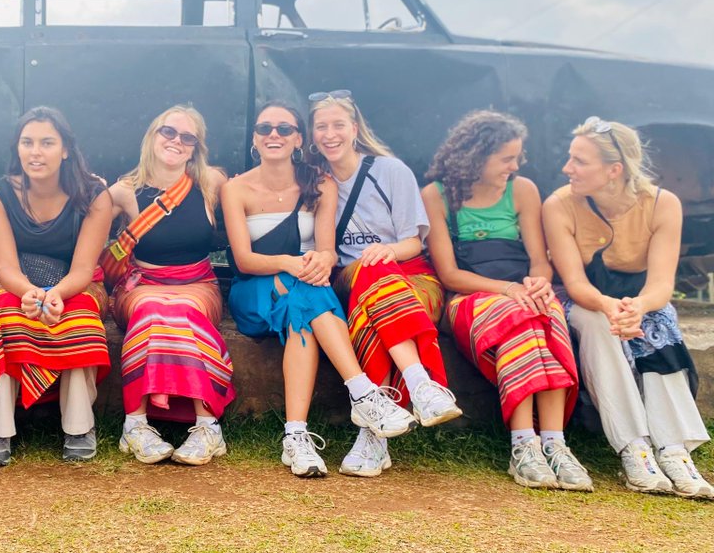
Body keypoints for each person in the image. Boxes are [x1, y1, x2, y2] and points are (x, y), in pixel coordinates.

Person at [222, 102, 418, 478]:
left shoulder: (319, 183)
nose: (273, 135)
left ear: (298, 138)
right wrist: (289, 262)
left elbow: (327, 250)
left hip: (303, 287)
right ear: (255, 138)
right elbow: (244, 261)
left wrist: (320, 261)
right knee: (308, 294)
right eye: (265, 128)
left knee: (305, 310)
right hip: (254, 292)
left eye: (284, 128)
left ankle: (296, 436)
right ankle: (362, 392)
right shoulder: (236, 188)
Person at [543, 117, 712, 498]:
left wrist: (638, 307)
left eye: (579, 161)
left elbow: (662, 285)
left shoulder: (662, 203)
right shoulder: (559, 204)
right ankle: (634, 446)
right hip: (585, 298)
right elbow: (575, 283)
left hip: (640, 297)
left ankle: (674, 450)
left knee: (658, 326)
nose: (567, 168)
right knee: (599, 324)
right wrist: (608, 306)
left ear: (614, 170)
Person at [422, 111, 591, 490]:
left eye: (517, 157)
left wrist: (537, 285)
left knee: (544, 313)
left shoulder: (523, 190)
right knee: (520, 314)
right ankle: (523, 444)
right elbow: (449, 274)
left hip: (520, 286)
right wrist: (509, 290)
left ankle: (553, 443)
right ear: (476, 156)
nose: (514, 166)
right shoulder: (436, 195)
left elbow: (538, 261)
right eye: (506, 159)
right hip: (470, 294)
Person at [308, 90, 462, 478]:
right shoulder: (315, 181)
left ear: (354, 129)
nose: (330, 134)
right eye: (321, 126)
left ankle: (373, 439)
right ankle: (422, 383)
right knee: (370, 272)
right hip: (351, 277)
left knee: (376, 308)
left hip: (412, 277)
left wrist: (388, 250)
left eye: (338, 125)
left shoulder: (390, 170)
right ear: (311, 134)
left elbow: (414, 242)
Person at [0, 106, 113, 466]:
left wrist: (56, 294)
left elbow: (84, 268)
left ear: (65, 149)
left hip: (75, 281)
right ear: (17, 148)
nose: (35, 152)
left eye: (46, 143)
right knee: (7, 313)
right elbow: (6, 265)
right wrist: (28, 292)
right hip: (14, 279)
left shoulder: (93, 195)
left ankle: (78, 425)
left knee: (80, 316)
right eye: (27, 142)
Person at [106, 106, 234, 465]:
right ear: (152, 135)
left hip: (198, 284)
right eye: (168, 132)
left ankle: (208, 426)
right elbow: (83, 229)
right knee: (152, 310)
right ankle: (135, 425)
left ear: (196, 147)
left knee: (181, 310)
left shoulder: (211, 183)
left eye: (187, 137)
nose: (176, 141)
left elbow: (257, 201)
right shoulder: (124, 191)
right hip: (142, 284)